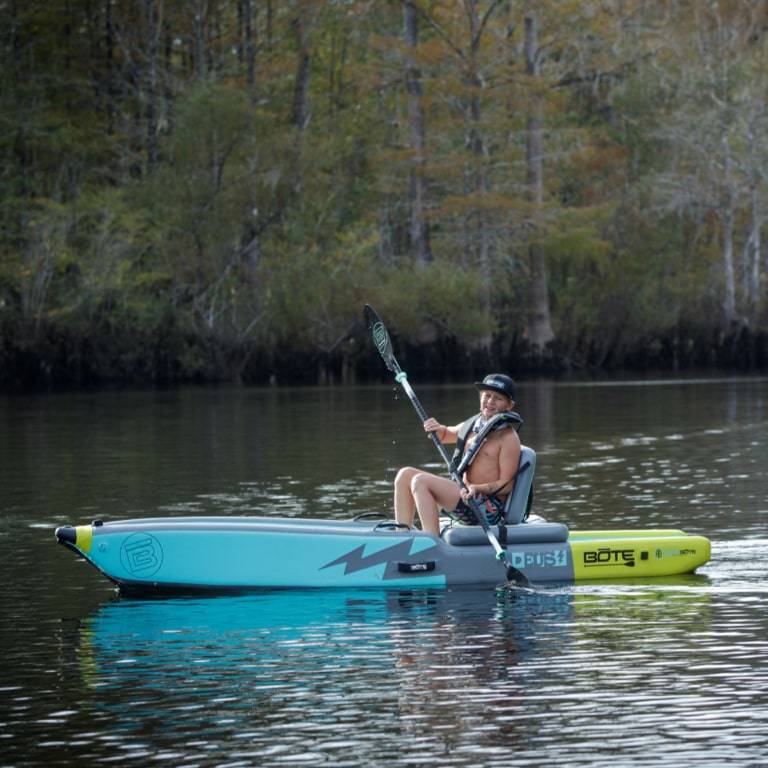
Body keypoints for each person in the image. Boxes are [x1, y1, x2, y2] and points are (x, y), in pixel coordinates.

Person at [393, 373, 522, 536]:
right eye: (487, 395)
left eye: (498, 398)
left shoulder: (508, 438)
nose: (490, 401)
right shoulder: (474, 425)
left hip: (487, 509)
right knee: (404, 475)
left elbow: (507, 485)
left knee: (420, 481)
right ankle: (401, 536)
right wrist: (436, 428)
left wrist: (476, 488)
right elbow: (445, 434)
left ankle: (432, 544)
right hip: (464, 495)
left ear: (509, 405)